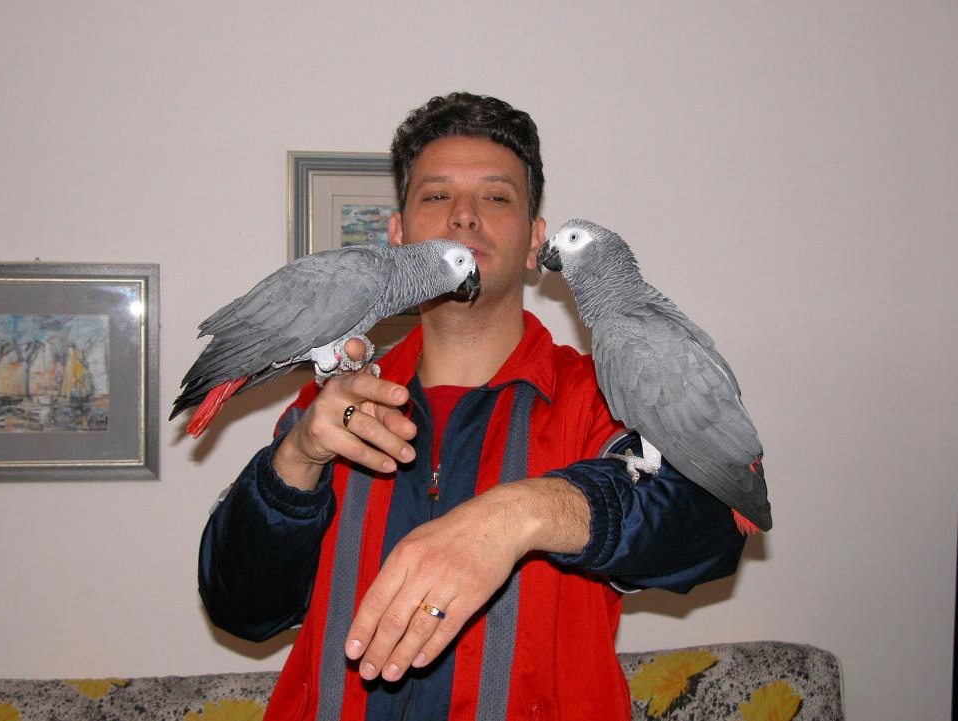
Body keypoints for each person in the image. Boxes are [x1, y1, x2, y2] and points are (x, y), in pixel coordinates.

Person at [198, 92, 748, 721]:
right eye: (436, 196)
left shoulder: (603, 400)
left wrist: (525, 514)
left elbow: (710, 529)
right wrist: (294, 463)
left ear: (536, 239)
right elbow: (241, 609)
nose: (463, 216)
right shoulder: (328, 406)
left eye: (496, 197)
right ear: (399, 235)